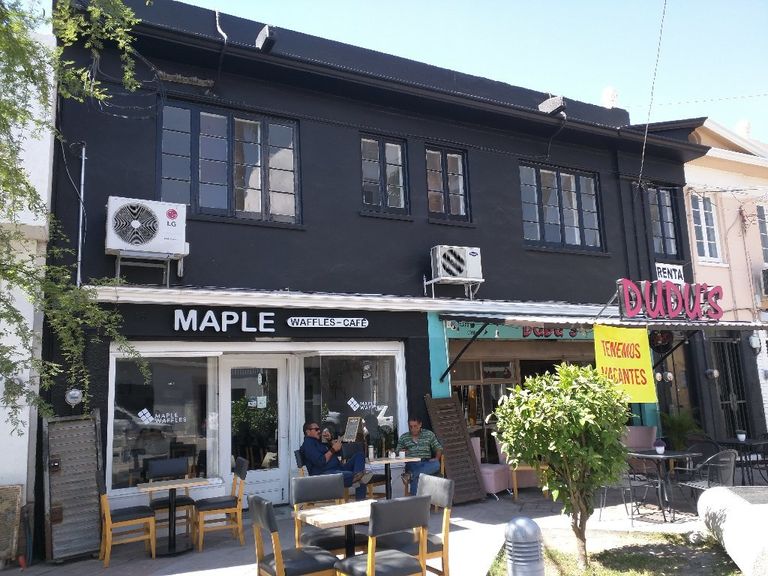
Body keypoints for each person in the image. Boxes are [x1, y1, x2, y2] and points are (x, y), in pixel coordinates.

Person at [300, 421, 372, 500]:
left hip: (338, 468)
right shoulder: (308, 445)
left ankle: (356, 477)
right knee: (358, 476)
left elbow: (335, 453)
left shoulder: (318, 442)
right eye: (316, 429)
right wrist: (333, 449)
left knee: (359, 455)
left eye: (319, 429)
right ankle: (356, 480)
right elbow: (320, 462)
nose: (319, 431)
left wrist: (330, 441)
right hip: (323, 474)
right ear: (308, 431)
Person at [396, 415, 443, 495]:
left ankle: (410, 475)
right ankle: (413, 477)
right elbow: (397, 451)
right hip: (412, 463)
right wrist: (402, 451)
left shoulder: (429, 434)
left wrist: (436, 458)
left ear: (420, 424)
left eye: (415, 426)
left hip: (426, 462)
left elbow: (438, 448)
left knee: (436, 464)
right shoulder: (404, 437)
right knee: (417, 476)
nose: (413, 429)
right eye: (410, 426)